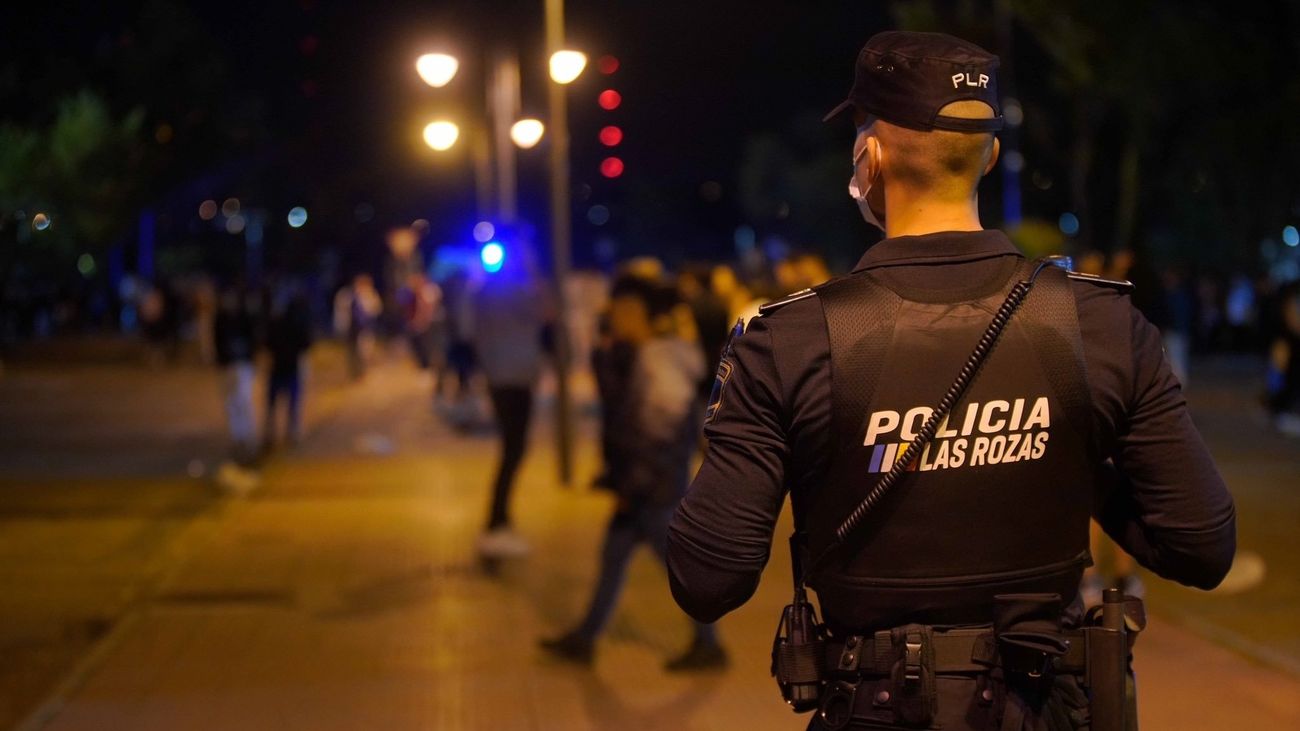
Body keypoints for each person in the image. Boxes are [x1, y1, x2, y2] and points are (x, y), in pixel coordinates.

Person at [667, 31, 1235, 730]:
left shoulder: (787, 341)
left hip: (873, 707)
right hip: (1046, 704)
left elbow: (706, 577)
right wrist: (1074, 450)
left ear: (867, 157)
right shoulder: (1102, 322)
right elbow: (1202, 544)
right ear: (990, 155)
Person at [542, 277, 727, 671]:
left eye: (623, 312)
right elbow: (620, 416)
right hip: (642, 482)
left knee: (678, 569)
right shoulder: (638, 357)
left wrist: (634, 484)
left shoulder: (658, 362)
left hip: (653, 488)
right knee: (613, 558)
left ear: (642, 315)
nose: (615, 318)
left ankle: (708, 644)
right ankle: (586, 638)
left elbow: (656, 433)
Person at [473, 245, 547, 558]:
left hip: (501, 377)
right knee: (514, 449)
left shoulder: (484, 292)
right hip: (514, 379)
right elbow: (545, 311)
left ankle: (500, 516)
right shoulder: (517, 292)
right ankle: (497, 518)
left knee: (512, 448)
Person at [263, 285, 313, 449]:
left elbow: (267, 343)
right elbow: (306, 343)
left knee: (275, 403)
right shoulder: (295, 321)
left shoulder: (276, 323)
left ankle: (275, 432)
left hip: (280, 367)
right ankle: (289, 432)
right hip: (289, 367)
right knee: (291, 402)